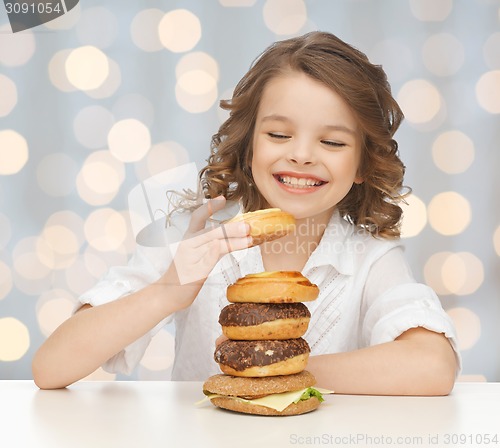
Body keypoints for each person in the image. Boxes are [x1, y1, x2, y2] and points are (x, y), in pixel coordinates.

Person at [32, 31, 460, 394]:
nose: (302, 155)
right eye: (278, 133)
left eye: (332, 142)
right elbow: (50, 368)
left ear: (364, 165)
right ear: (249, 141)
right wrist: (168, 290)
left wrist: (278, 369)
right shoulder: (194, 237)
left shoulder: (370, 259)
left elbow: (435, 366)